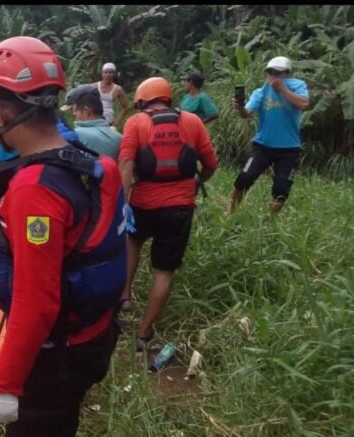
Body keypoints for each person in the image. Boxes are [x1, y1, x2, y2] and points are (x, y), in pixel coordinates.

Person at [0, 36, 127, 436]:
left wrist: (4, 383)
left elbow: (36, 302)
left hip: (58, 352)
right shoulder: (90, 164)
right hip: (94, 332)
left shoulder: (34, 190)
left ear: (0, 111)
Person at [117, 77, 218, 350]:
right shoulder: (193, 122)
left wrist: (122, 203)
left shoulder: (135, 123)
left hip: (143, 202)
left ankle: (124, 297)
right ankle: (144, 334)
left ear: (141, 101)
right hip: (180, 207)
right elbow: (211, 163)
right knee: (164, 271)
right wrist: (198, 182)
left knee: (132, 241)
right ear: (168, 98)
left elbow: (125, 164)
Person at [229, 56, 310, 214]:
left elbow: (304, 103)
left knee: (281, 189)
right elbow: (246, 114)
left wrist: (282, 89)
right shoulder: (260, 92)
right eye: (270, 72)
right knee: (244, 179)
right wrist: (240, 108)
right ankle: (230, 212)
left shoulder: (298, 86)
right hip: (263, 146)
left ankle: (270, 220)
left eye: (278, 73)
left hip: (289, 148)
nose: (274, 76)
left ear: (288, 74)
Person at [61, 84, 123, 160]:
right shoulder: (119, 138)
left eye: (75, 114)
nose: (74, 118)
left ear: (87, 111)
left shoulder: (76, 135)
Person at [92, 62, 130, 128]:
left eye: (110, 72)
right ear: (102, 74)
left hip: (108, 121)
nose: (108, 75)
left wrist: (116, 122)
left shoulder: (118, 89)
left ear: (114, 74)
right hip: (95, 120)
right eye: (106, 72)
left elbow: (125, 107)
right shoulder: (94, 86)